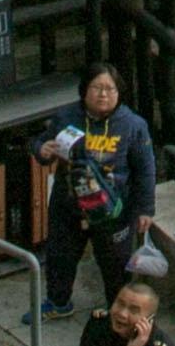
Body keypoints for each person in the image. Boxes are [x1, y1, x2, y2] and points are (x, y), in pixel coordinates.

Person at [27, 66, 165, 319]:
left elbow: (146, 169)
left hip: (113, 210)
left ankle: (117, 310)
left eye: (109, 89)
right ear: (84, 90)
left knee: (114, 264)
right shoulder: (66, 117)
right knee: (60, 257)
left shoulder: (133, 125)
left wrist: (146, 209)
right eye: (97, 88)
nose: (103, 95)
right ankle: (58, 303)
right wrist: (41, 150)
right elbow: (40, 143)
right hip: (68, 204)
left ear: (119, 92)